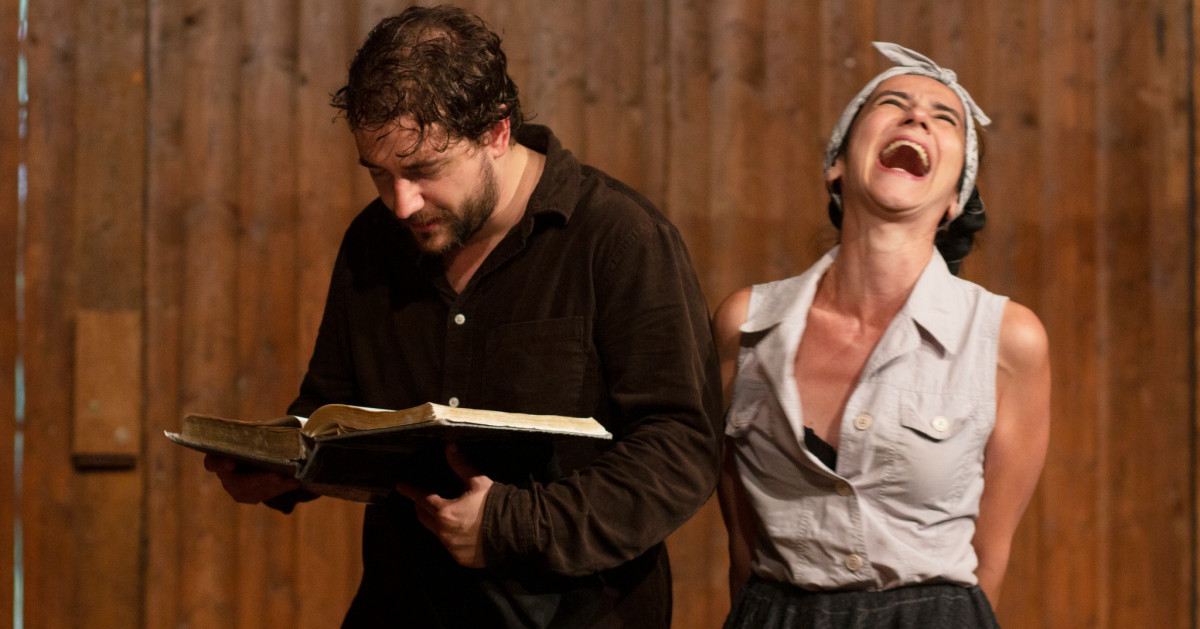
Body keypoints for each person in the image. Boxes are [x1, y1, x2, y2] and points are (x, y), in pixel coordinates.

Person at [202, 5, 722, 627]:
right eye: (380, 175)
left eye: (423, 171)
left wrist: (513, 525)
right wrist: (281, 468)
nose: (401, 203)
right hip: (404, 606)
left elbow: (680, 449)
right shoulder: (373, 242)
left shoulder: (620, 239)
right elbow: (332, 408)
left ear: (497, 133)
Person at [714, 43, 1051, 627]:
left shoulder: (1007, 339)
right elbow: (741, 541)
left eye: (944, 118)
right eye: (892, 103)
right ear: (837, 163)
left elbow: (990, 557)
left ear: (956, 197)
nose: (917, 117)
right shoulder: (746, 324)